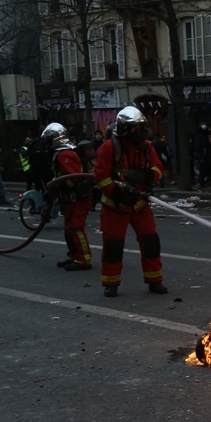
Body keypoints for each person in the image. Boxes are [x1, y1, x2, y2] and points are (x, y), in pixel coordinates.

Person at [93, 106, 168, 297]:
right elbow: (101, 176)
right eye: (136, 127)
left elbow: (159, 169)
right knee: (113, 246)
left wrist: (147, 173)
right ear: (125, 128)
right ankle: (111, 283)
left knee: (151, 242)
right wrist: (117, 194)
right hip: (115, 207)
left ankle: (155, 280)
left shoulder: (146, 147)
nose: (141, 131)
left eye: (142, 127)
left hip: (140, 206)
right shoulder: (108, 148)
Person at [50, 140, 94, 271]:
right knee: (69, 228)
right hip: (70, 198)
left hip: (79, 197)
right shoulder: (62, 153)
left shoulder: (65, 154)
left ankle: (83, 259)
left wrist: (61, 184)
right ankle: (74, 256)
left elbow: (75, 178)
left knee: (76, 228)